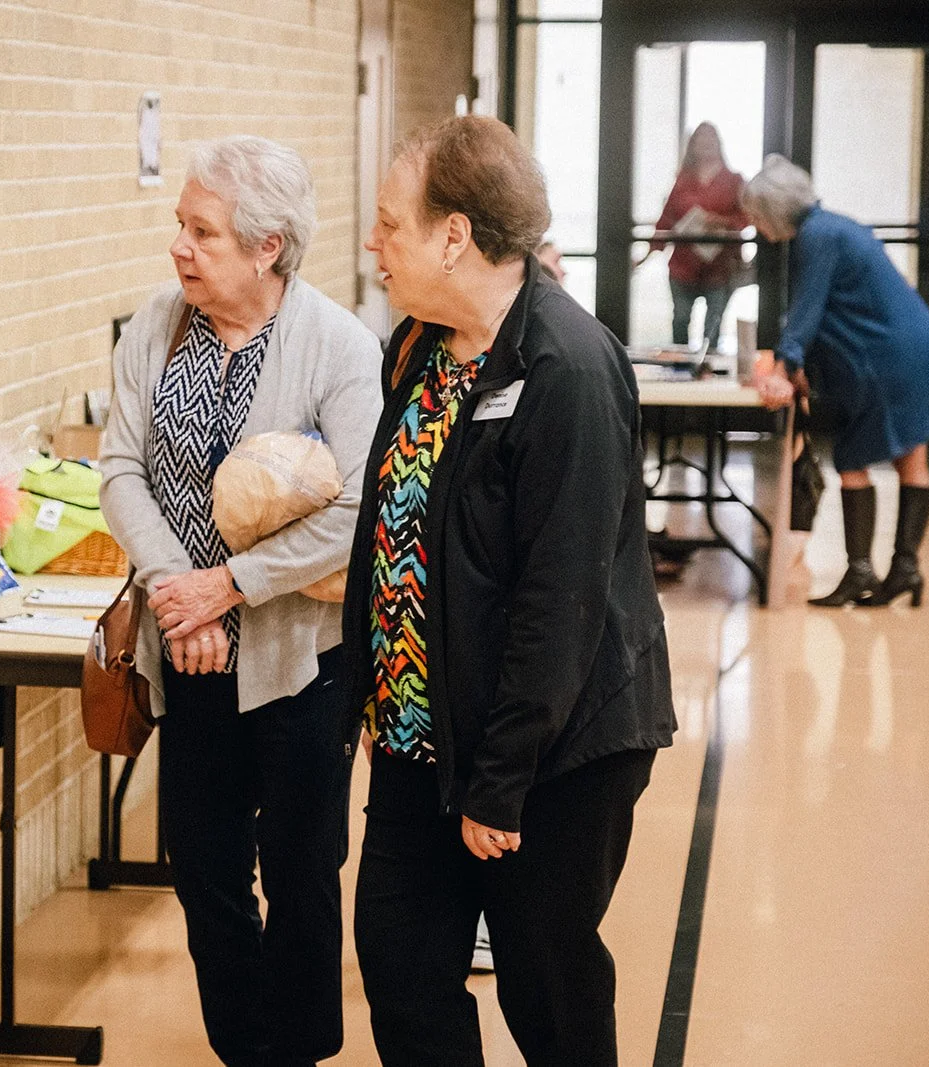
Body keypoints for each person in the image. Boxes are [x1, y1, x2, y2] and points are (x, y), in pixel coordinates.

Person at [346, 114, 676, 1066]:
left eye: (389, 225)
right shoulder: (417, 345)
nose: (374, 244)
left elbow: (559, 601)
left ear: (455, 235)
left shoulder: (567, 367)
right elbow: (400, 527)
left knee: (547, 982)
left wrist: (500, 783)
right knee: (403, 969)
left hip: (551, 752)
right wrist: (378, 690)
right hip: (423, 736)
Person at [99, 134, 383, 1067]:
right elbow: (120, 471)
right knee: (208, 874)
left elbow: (360, 510)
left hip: (297, 658)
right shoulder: (156, 324)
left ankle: (294, 1049)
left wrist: (231, 588)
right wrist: (181, 595)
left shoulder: (337, 345)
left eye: (202, 232)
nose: (178, 247)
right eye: (180, 225)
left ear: (267, 248)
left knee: (303, 873)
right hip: (184, 652)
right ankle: (247, 1049)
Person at [743, 154, 929, 608]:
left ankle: (861, 571)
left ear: (775, 211)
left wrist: (783, 370)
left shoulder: (816, 237)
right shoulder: (837, 226)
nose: (758, 229)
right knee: (910, 462)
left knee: (850, 459)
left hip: (891, 355)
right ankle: (905, 569)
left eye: (758, 218)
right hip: (918, 344)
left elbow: (808, 310)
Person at [636, 122, 747, 349]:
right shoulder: (683, 180)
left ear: (719, 143)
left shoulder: (734, 181)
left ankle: (707, 373)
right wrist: (646, 255)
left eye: (711, 138)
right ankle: (680, 372)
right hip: (683, 267)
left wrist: (721, 223)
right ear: (692, 145)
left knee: (713, 326)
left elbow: (747, 217)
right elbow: (666, 219)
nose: (706, 143)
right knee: (680, 319)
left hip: (719, 268)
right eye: (700, 138)